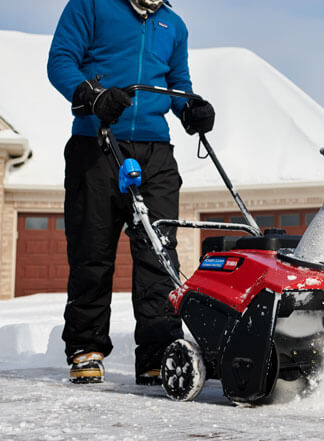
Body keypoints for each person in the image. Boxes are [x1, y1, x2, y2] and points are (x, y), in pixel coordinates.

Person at [47, 0, 215, 385]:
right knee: (92, 250)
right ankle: (86, 347)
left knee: (158, 253)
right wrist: (93, 96)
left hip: (155, 151)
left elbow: (177, 84)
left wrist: (191, 108)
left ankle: (158, 354)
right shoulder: (90, 5)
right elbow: (60, 61)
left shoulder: (173, 24)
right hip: (97, 142)